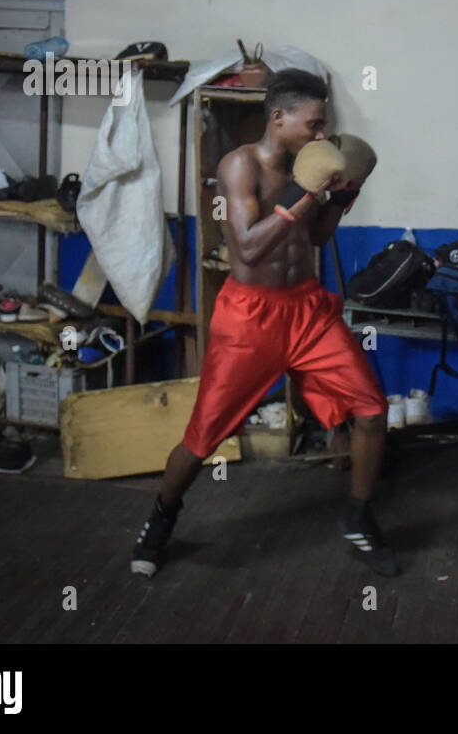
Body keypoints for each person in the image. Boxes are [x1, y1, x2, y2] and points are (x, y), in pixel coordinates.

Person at [130, 68, 398, 578]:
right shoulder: (240, 165)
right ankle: (161, 518)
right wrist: (305, 193)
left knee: (370, 409)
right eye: (313, 125)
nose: (321, 136)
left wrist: (340, 197)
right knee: (203, 436)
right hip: (251, 317)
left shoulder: (308, 164)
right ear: (279, 116)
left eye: (324, 127)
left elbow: (316, 240)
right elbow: (249, 245)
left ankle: (360, 518)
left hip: (308, 311)